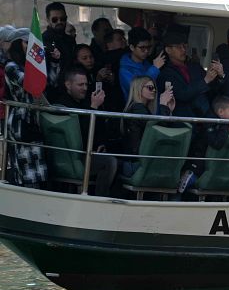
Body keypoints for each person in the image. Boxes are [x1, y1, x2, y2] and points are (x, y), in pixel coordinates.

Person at [53, 68, 118, 197]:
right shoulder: (62, 104)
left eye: (86, 84)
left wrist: (101, 142)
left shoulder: (85, 102)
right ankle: (99, 200)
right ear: (68, 84)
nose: (84, 88)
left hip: (88, 151)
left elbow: (99, 128)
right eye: (80, 85)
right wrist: (93, 108)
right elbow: (79, 132)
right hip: (72, 156)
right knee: (109, 162)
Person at [3, 35, 48, 187]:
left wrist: (52, 61)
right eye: (27, 42)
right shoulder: (11, 66)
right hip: (19, 120)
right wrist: (38, 64)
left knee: (38, 162)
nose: (31, 46)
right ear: (17, 43)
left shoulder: (29, 65)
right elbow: (29, 83)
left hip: (34, 118)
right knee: (24, 163)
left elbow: (50, 82)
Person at [157, 31, 223, 118]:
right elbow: (182, 94)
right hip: (182, 119)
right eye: (179, 47)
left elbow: (212, 89)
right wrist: (205, 80)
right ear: (168, 50)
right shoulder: (166, 73)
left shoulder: (194, 67)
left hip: (204, 115)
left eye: (185, 46)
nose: (184, 50)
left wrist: (220, 76)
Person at [120, 76, 175, 178]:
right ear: (139, 89)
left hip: (138, 162)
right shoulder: (138, 108)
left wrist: (168, 110)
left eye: (154, 88)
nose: (154, 90)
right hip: (137, 164)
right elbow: (157, 131)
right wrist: (163, 106)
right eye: (150, 88)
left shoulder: (139, 108)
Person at [119, 27, 166, 101]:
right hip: (136, 110)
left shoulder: (147, 64)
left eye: (148, 47)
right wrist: (154, 69)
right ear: (132, 47)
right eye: (142, 48)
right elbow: (138, 91)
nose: (146, 51)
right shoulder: (125, 70)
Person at [42, 2, 76, 97]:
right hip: (52, 91)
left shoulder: (69, 40)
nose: (59, 22)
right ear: (48, 20)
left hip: (70, 89)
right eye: (54, 19)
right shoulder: (43, 40)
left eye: (63, 19)